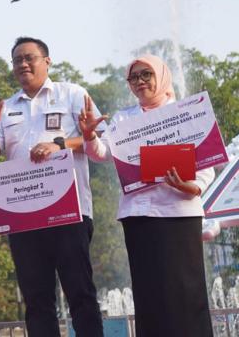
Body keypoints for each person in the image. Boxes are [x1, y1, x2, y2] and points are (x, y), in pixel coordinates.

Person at [0, 37, 105, 337]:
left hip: (69, 213)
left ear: (47, 61)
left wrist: (59, 144)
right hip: (24, 218)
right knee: (36, 302)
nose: (23, 64)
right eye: (17, 60)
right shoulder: (6, 109)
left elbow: (100, 142)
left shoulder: (72, 94)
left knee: (81, 295)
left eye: (29, 57)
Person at [79, 54, 214, 337]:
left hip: (179, 213)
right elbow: (104, 153)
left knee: (185, 292)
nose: (140, 82)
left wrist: (192, 187)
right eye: (133, 77)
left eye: (146, 75)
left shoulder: (185, 111)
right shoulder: (124, 118)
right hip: (138, 216)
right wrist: (90, 137)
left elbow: (206, 161)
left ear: (162, 77)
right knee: (149, 293)